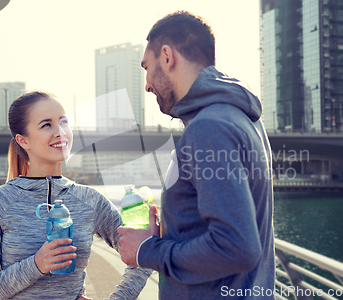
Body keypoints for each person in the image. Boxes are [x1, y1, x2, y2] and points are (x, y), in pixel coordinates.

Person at [117, 11, 275, 300]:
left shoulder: (208, 128)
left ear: (167, 56)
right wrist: (170, 231)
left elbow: (237, 247)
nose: (147, 84)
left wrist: (147, 250)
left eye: (147, 67)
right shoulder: (243, 119)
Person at [0, 90, 151, 300]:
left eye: (63, 122)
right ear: (23, 140)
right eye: (46, 125)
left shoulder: (90, 200)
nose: (60, 132)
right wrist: (37, 264)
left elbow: (143, 253)